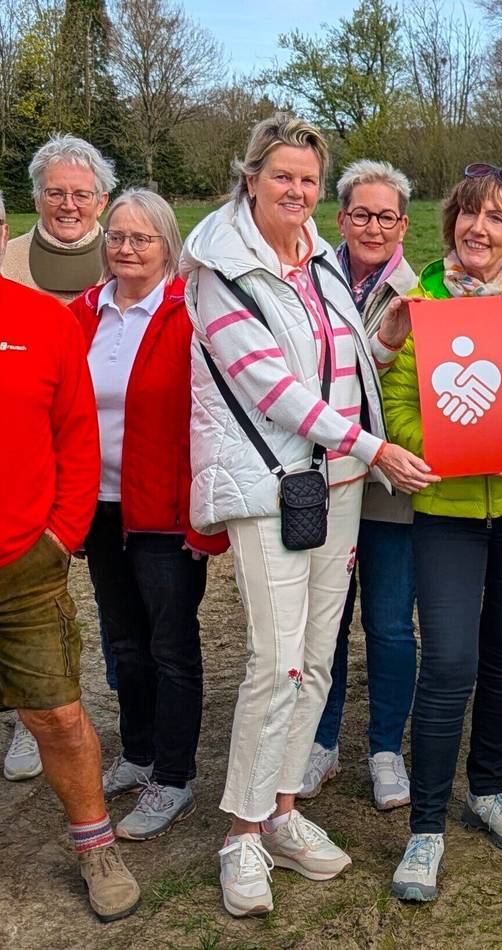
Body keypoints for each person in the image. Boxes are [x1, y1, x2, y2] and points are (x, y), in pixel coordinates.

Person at [181, 113, 435, 918]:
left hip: (339, 485)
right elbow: (272, 387)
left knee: (320, 659)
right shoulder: (220, 270)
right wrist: (375, 446)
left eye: (306, 180)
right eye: (281, 176)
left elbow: (340, 366)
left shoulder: (318, 260)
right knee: (275, 661)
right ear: (250, 176)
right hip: (271, 488)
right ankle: (241, 835)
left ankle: (285, 810)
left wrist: (385, 343)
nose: (296, 191)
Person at [383, 163, 502, 903]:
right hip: (448, 513)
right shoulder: (420, 301)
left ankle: (487, 788)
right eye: (467, 216)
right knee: (449, 663)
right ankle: (425, 827)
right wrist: (416, 446)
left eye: (495, 219)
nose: (478, 230)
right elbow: (395, 392)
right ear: (451, 225)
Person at [70, 189, 228, 841]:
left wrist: (202, 519)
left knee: (169, 646)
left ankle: (174, 776)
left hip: (164, 512)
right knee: (124, 643)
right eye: (117, 237)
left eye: (142, 238)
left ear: (169, 246)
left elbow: (212, 421)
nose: (127, 248)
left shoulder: (187, 314)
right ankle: (137, 753)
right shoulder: (83, 314)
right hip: (101, 509)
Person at [0, 188, 140, 921]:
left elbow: (77, 437)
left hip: (23, 560)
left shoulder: (40, 321)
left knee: (56, 716)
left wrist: (60, 533)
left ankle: (96, 846)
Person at [299, 160, 419, 810]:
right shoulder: (309, 279)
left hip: (389, 485)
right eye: (361, 214)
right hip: (322, 480)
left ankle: (384, 749)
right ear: (340, 219)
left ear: (403, 223)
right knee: (327, 621)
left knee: (392, 624)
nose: (373, 225)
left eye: (386, 215)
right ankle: (321, 743)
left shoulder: (419, 291)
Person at [1, 134, 116, 782]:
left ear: (101, 198)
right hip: (28, 453)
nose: (68, 204)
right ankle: (29, 715)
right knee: (34, 601)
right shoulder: (10, 258)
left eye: (81, 193)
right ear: (35, 197)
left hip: (109, 445)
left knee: (105, 594)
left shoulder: (126, 251)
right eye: (55, 192)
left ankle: (97, 710)